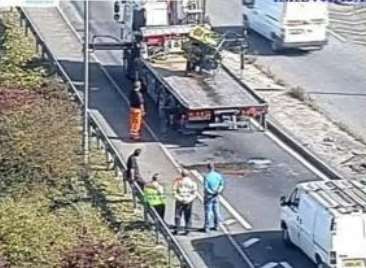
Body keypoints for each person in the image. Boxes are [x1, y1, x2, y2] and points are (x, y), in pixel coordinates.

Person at [172, 169, 198, 235]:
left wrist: (179, 198)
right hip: (188, 201)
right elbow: (194, 193)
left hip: (179, 200)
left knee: (178, 215)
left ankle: (177, 229)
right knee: (188, 216)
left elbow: (174, 192)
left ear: (181, 174)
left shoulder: (178, 182)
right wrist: (189, 199)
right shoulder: (192, 183)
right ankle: (187, 230)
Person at [203, 162, 224, 232]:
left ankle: (207, 226)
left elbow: (206, 187)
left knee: (208, 211)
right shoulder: (218, 176)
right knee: (216, 211)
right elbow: (221, 185)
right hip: (216, 195)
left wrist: (211, 192)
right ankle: (216, 225)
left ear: (208, 168)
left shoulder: (207, 177)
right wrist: (218, 191)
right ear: (214, 167)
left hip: (209, 196)